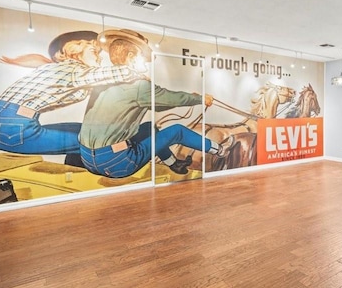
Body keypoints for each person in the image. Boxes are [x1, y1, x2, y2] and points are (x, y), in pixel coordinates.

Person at [78, 29, 233, 178]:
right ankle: (220, 150)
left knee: (148, 128)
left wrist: (190, 98)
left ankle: (174, 164)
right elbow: (170, 98)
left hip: (88, 159)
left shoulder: (104, 82)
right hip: (117, 163)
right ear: (131, 56)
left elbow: (157, 102)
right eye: (141, 58)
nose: (144, 65)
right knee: (178, 131)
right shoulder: (138, 85)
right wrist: (199, 99)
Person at [0, 31, 144, 159]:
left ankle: (77, 167)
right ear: (74, 50)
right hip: (13, 130)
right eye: (94, 51)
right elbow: (122, 72)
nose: (99, 57)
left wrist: (14, 61)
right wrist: (136, 65)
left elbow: (38, 59)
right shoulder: (76, 71)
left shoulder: (56, 67)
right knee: (96, 141)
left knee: (85, 130)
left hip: (4, 121)